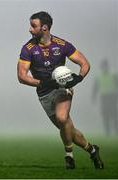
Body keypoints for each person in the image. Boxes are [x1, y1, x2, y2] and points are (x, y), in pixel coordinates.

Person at [17, 11, 104, 169]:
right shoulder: (28, 48)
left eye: (33, 26)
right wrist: (43, 83)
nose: (30, 29)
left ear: (44, 27)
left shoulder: (62, 44)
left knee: (62, 118)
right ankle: (92, 150)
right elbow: (22, 77)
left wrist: (78, 78)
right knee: (67, 128)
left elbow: (85, 64)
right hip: (43, 92)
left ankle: (68, 155)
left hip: (63, 89)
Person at [92, 59, 118, 135]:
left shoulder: (113, 74)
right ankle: (107, 132)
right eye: (103, 66)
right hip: (104, 97)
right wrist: (93, 97)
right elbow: (95, 88)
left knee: (114, 114)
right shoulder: (99, 76)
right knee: (105, 114)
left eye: (105, 66)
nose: (104, 68)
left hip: (113, 97)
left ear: (107, 66)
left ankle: (116, 130)